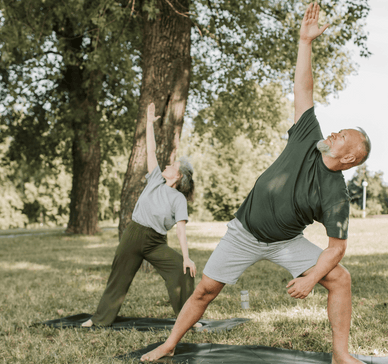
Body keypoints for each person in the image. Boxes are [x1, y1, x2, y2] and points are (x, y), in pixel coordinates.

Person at [141, 3, 371, 364]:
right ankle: (168, 344)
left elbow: (336, 248)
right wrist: (305, 42)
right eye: (340, 130)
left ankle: (341, 355)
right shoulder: (308, 136)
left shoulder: (336, 194)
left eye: (344, 137)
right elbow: (303, 87)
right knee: (204, 291)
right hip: (243, 233)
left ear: (348, 158)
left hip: (286, 242)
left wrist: (312, 279)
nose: (336, 132)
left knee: (340, 278)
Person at [82, 102, 197, 328]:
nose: (166, 164)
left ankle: (188, 320)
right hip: (134, 235)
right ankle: (99, 320)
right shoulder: (155, 178)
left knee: (182, 270)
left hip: (155, 242)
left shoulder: (178, 199)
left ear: (178, 176)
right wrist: (148, 123)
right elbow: (151, 150)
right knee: (119, 277)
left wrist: (186, 257)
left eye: (171, 165)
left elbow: (181, 230)